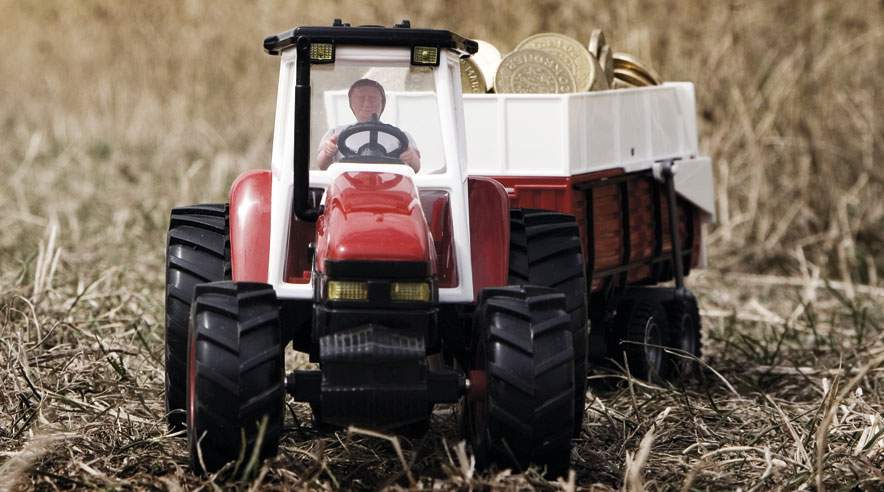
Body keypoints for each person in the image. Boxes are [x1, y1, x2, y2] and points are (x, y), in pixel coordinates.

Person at [316, 78, 421, 172]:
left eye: (373, 98)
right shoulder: (335, 133)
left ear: (382, 103)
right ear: (351, 104)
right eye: (361, 98)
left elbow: (416, 167)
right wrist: (327, 152)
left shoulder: (401, 137)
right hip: (347, 185)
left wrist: (411, 157)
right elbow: (322, 165)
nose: (367, 103)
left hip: (388, 184)